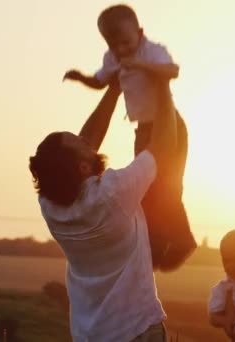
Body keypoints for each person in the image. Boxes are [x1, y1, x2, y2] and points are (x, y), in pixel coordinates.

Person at [29, 77, 175, 341]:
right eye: (80, 143)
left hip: (90, 335)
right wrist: (163, 85)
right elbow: (163, 147)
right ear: (82, 167)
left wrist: (115, 88)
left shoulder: (49, 205)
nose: (86, 140)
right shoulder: (113, 193)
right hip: (137, 331)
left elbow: (85, 144)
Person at [63, 4, 196, 271]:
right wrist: (82, 78)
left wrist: (140, 65)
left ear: (140, 32)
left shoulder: (152, 51)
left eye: (126, 42)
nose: (121, 50)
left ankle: (181, 241)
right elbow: (102, 82)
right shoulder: (113, 58)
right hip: (143, 130)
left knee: (169, 184)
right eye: (114, 45)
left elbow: (173, 70)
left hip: (170, 126)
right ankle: (155, 243)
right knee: (145, 186)